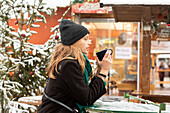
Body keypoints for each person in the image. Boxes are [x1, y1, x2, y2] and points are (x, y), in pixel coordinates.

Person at [37, 19, 112, 113]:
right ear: (74, 41)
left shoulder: (69, 62)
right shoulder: (69, 65)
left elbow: (85, 92)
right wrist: (104, 72)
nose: (89, 42)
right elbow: (87, 98)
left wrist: (100, 70)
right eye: (85, 39)